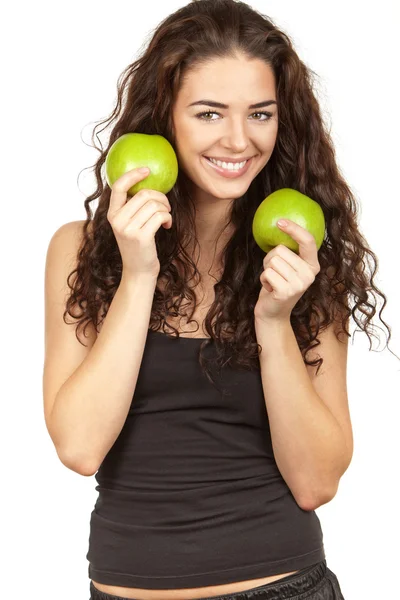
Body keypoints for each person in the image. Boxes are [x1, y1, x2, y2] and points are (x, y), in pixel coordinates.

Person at [43, 1, 395, 599]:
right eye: (209, 113)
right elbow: (78, 446)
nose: (239, 139)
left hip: (281, 587)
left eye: (261, 113)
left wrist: (276, 320)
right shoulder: (82, 251)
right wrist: (137, 277)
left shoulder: (304, 257)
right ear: (166, 120)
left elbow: (315, 483)